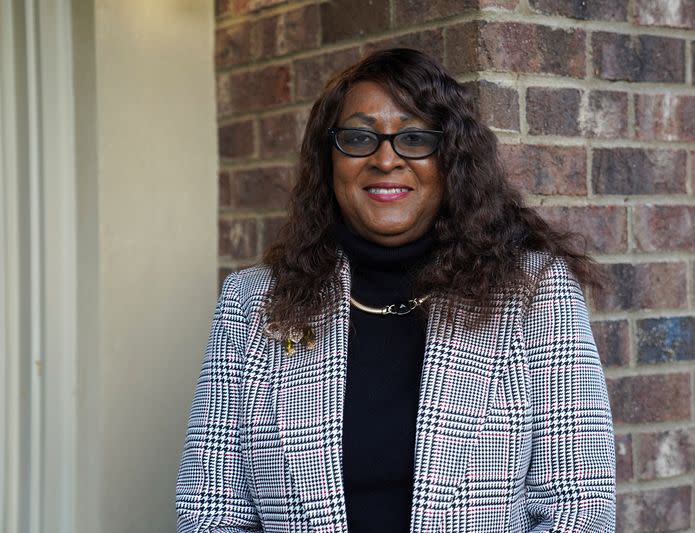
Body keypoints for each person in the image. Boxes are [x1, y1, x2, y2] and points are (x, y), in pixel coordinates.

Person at [176, 48, 615, 533]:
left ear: (450, 159)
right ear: (330, 159)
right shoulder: (253, 303)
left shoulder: (532, 293)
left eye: (413, 138)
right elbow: (209, 512)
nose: (386, 159)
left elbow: (579, 508)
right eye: (360, 137)